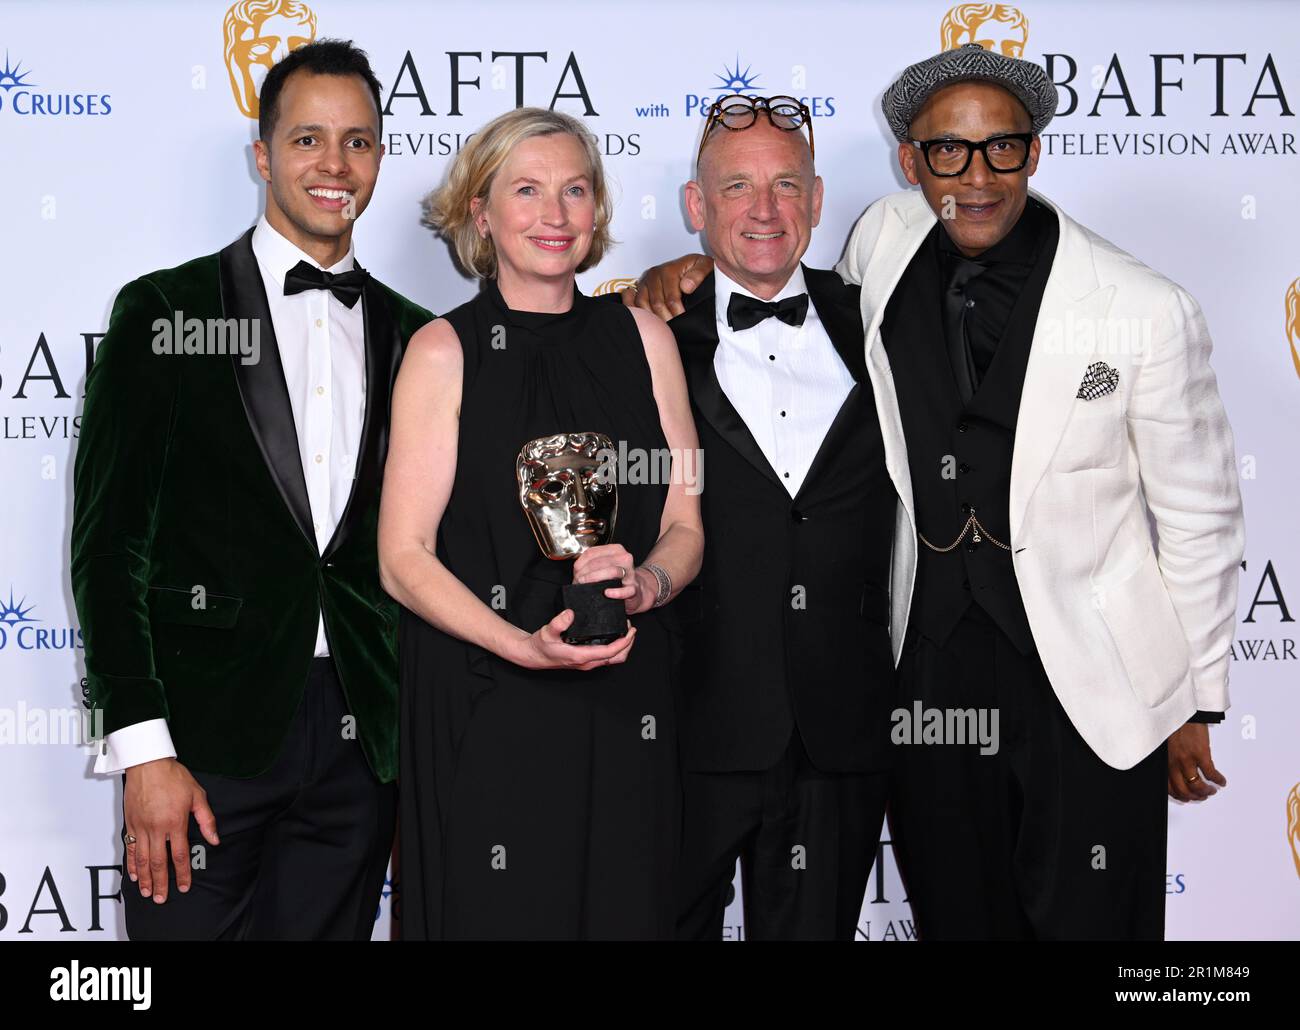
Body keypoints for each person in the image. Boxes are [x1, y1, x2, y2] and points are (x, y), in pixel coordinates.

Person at [632, 45, 1244, 940]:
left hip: (1090, 676)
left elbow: (1201, 516)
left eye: (1002, 148)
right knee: (961, 913)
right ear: (911, 163)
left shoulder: (1142, 307)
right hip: (926, 668)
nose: (977, 175)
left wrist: (1194, 699)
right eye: (948, 153)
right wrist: (674, 275)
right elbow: (769, 280)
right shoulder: (883, 240)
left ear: (1033, 153)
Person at [70, 39, 434, 939]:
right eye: (308, 139)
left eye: (358, 141)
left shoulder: (422, 338)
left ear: (381, 157)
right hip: (201, 741)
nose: (334, 165)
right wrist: (144, 750)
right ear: (263, 154)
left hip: (362, 746)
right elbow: (111, 546)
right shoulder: (165, 312)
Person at [379, 106, 702, 940]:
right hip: (493, 701)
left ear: (597, 209)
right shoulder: (441, 352)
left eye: (574, 190)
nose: (555, 216)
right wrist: (520, 644)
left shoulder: (646, 339)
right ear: (480, 213)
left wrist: (648, 584)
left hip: (629, 696)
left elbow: (687, 520)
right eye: (526, 191)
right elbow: (402, 558)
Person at [623, 96, 896, 941]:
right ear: (696, 208)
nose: (766, 210)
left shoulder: (885, 323)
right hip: (680, 724)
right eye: (736, 187)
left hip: (839, 732)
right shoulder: (641, 335)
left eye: (786, 185)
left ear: (817, 202)